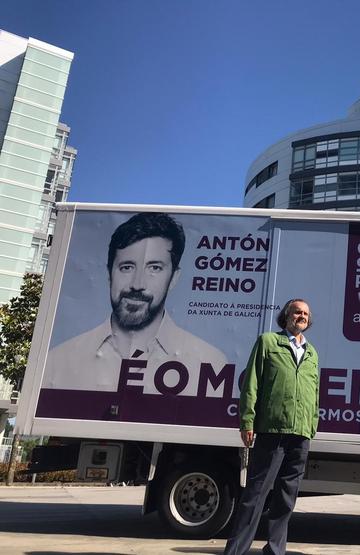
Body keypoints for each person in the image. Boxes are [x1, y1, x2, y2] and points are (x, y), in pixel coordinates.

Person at [43, 212, 227, 394]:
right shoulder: (57, 360)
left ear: (173, 278)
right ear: (109, 274)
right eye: (126, 267)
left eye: (155, 268)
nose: (137, 284)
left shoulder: (212, 362)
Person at [224, 299, 319, 555]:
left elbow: (315, 392)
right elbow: (251, 383)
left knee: (287, 499)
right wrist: (247, 421)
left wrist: (311, 425)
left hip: (300, 435)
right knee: (255, 495)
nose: (302, 316)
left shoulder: (311, 353)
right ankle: (236, 551)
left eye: (306, 314)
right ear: (286, 316)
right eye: (297, 311)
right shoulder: (268, 342)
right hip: (272, 431)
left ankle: (276, 550)